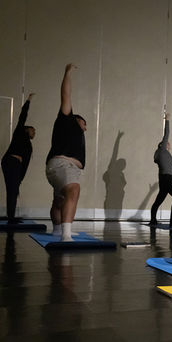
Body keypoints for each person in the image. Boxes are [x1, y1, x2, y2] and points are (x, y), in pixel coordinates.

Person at [46, 64, 87, 241]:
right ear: (77, 120)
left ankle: (57, 229)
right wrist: (67, 73)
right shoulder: (67, 120)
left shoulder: (73, 130)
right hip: (63, 165)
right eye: (84, 124)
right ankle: (66, 235)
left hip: (59, 168)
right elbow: (66, 95)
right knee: (74, 190)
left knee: (60, 200)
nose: (86, 128)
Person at [2, 93, 36, 223]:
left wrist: (20, 179)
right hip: (10, 161)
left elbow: (25, 163)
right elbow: (23, 116)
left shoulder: (28, 145)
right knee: (12, 189)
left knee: (13, 189)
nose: (34, 133)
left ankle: (11, 215)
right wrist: (28, 101)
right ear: (26, 129)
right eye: (33, 130)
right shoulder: (20, 131)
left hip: (15, 165)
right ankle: (11, 217)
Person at [149, 113, 172, 228]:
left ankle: (153, 220)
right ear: (162, 145)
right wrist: (167, 120)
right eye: (166, 143)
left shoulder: (165, 154)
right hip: (166, 178)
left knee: (158, 201)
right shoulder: (162, 151)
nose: (169, 143)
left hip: (165, 179)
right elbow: (166, 134)